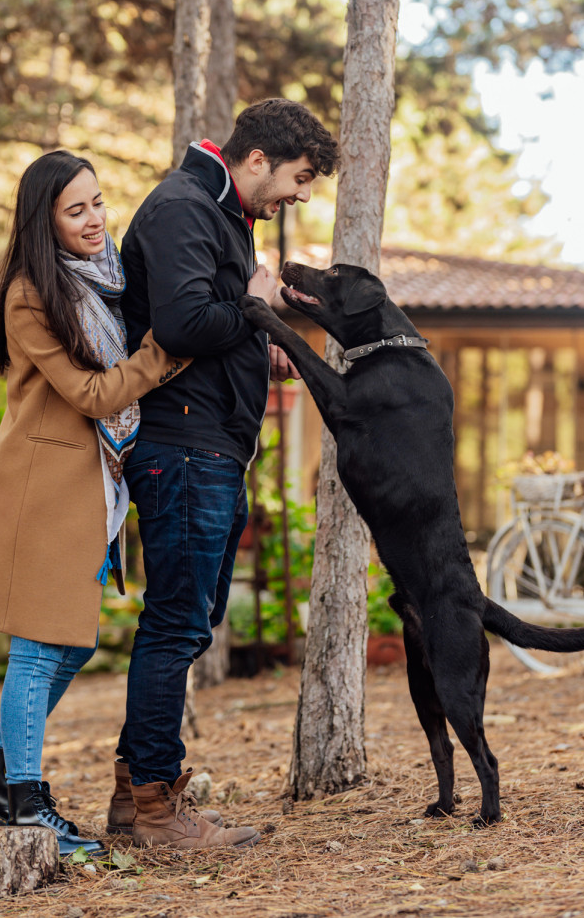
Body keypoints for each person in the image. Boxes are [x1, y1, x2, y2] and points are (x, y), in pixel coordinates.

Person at [107, 98, 340, 849]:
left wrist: (255, 336)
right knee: (176, 623)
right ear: (257, 159)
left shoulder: (224, 215)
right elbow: (179, 325)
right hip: (181, 446)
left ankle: (134, 796)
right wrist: (256, 306)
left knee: (188, 620)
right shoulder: (183, 207)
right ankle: (152, 810)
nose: (301, 195)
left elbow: (213, 319)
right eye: (299, 177)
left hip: (209, 448)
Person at [0, 150, 190, 857]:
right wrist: (162, 355)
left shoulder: (102, 279)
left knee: (75, 642)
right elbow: (92, 394)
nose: (94, 219)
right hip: (42, 486)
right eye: (75, 209)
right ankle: (24, 802)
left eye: (97, 201)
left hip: (88, 484)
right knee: (37, 646)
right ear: (45, 221)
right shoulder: (31, 293)